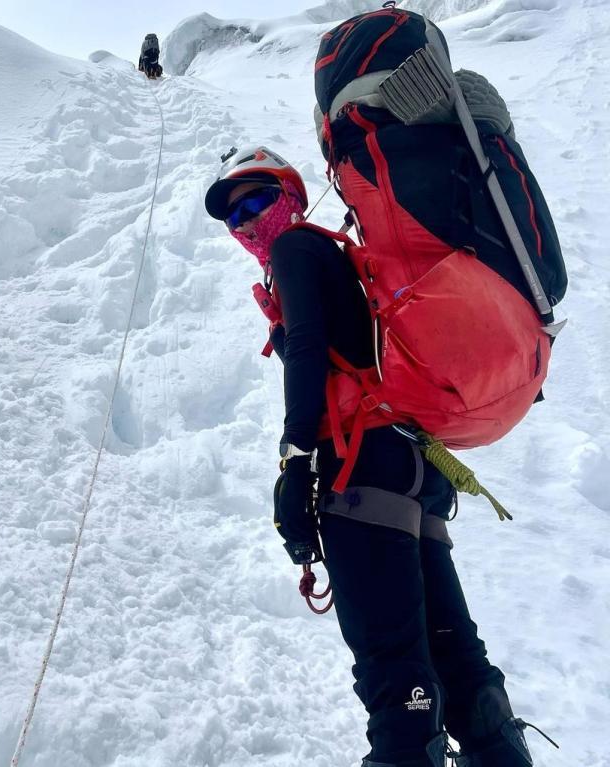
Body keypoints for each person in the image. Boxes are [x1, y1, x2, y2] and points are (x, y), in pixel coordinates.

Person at [204, 146, 539, 767]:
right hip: (410, 466)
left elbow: (306, 348)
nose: (247, 221)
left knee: (395, 671)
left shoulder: (296, 249)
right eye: (234, 216)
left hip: (359, 465)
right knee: (455, 654)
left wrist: (295, 458)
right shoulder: (339, 255)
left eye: (257, 200)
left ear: (291, 195)